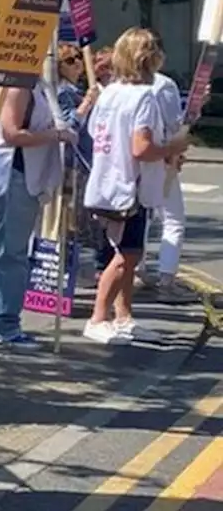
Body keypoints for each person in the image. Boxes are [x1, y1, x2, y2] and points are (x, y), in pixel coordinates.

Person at [82, 28, 190, 345]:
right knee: (128, 254)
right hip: (131, 186)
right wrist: (172, 148)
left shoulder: (110, 93)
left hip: (107, 182)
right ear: (148, 58)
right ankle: (98, 317)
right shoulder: (144, 97)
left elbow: (94, 132)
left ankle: (124, 316)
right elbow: (141, 147)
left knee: (126, 251)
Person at [0, 76, 73, 350]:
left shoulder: (29, 81)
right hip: (15, 175)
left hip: (18, 174)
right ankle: (4, 323)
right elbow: (11, 132)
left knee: (5, 250)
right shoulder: (17, 83)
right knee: (12, 253)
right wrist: (58, 135)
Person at [145, 61, 197, 303]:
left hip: (131, 159)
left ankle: (136, 268)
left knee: (140, 214)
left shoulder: (119, 84)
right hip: (161, 156)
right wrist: (174, 152)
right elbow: (174, 125)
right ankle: (166, 279)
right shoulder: (163, 85)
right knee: (173, 218)